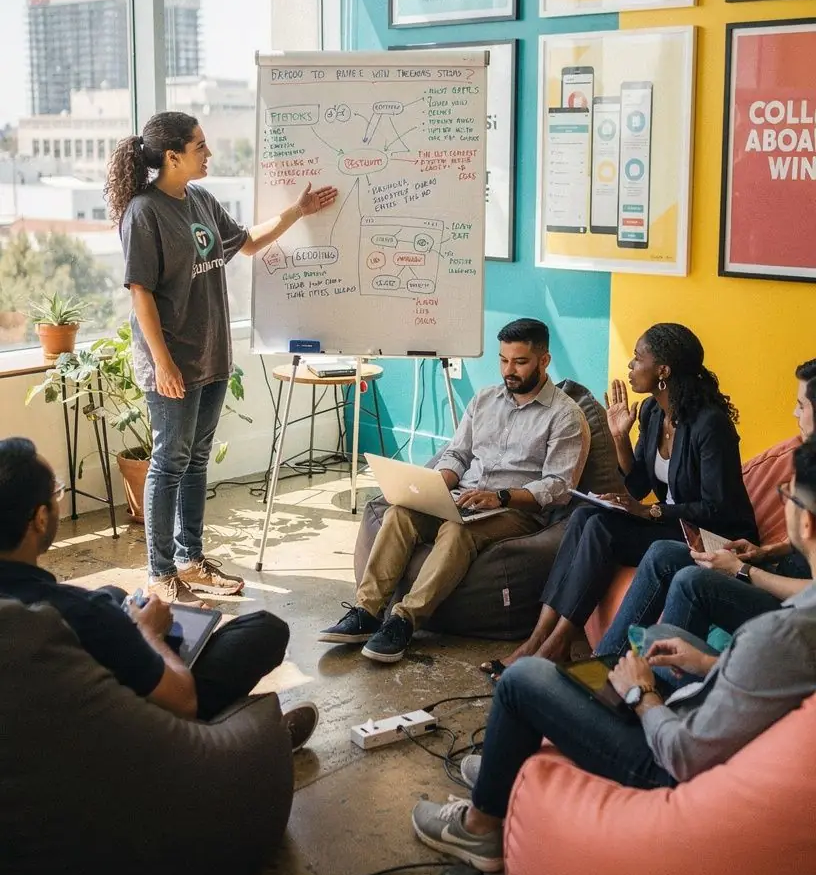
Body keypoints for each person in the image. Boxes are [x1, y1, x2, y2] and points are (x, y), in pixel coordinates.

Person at [410, 437, 816, 872]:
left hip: (663, 760)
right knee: (656, 634)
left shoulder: (776, 634)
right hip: (708, 719)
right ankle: (516, 758)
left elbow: (682, 754)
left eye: (786, 495)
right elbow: (767, 682)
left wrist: (643, 696)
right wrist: (708, 664)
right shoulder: (796, 624)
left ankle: (480, 828)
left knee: (522, 681)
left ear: (806, 523)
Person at [105, 113, 337, 603]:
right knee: (168, 463)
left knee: (195, 462)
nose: (208, 154)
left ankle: (191, 559)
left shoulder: (203, 201)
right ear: (172, 157)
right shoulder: (144, 213)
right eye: (200, 146)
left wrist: (298, 210)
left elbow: (248, 243)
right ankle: (159, 571)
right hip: (171, 362)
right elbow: (140, 294)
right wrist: (163, 364)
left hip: (210, 355)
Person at [0, 438, 317, 746]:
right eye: (56, 493)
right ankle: (246, 741)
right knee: (263, 630)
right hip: (121, 741)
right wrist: (148, 635)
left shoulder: (52, 611)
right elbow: (183, 699)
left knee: (113, 594)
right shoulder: (82, 613)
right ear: (40, 519)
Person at [319, 318, 590, 664]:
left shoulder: (565, 416)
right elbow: (458, 454)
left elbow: (558, 486)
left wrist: (501, 496)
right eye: (503, 360)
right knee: (400, 513)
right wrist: (438, 483)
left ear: (544, 361)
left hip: (515, 511)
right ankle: (367, 611)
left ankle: (404, 621)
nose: (509, 370)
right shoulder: (484, 400)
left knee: (456, 531)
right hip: (463, 496)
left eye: (520, 362)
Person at [502, 323, 758, 668]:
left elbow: (716, 507)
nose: (630, 366)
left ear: (663, 370)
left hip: (713, 534)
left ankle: (558, 642)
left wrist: (649, 513)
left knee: (602, 529)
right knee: (583, 516)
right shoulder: (653, 412)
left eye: (638, 358)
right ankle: (539, 638)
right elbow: (637, 485)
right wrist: (619, 438)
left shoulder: (709, 425)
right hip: (673, 522)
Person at [594, 359, 816, 658]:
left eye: (801, 405)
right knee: (662, 551)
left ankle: (651, 683)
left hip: (797, 608)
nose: (795, 413)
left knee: (692, 581)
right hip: (777, 574)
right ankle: (606, 661)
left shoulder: (709, 424)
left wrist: (744, 570)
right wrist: (765, 552)